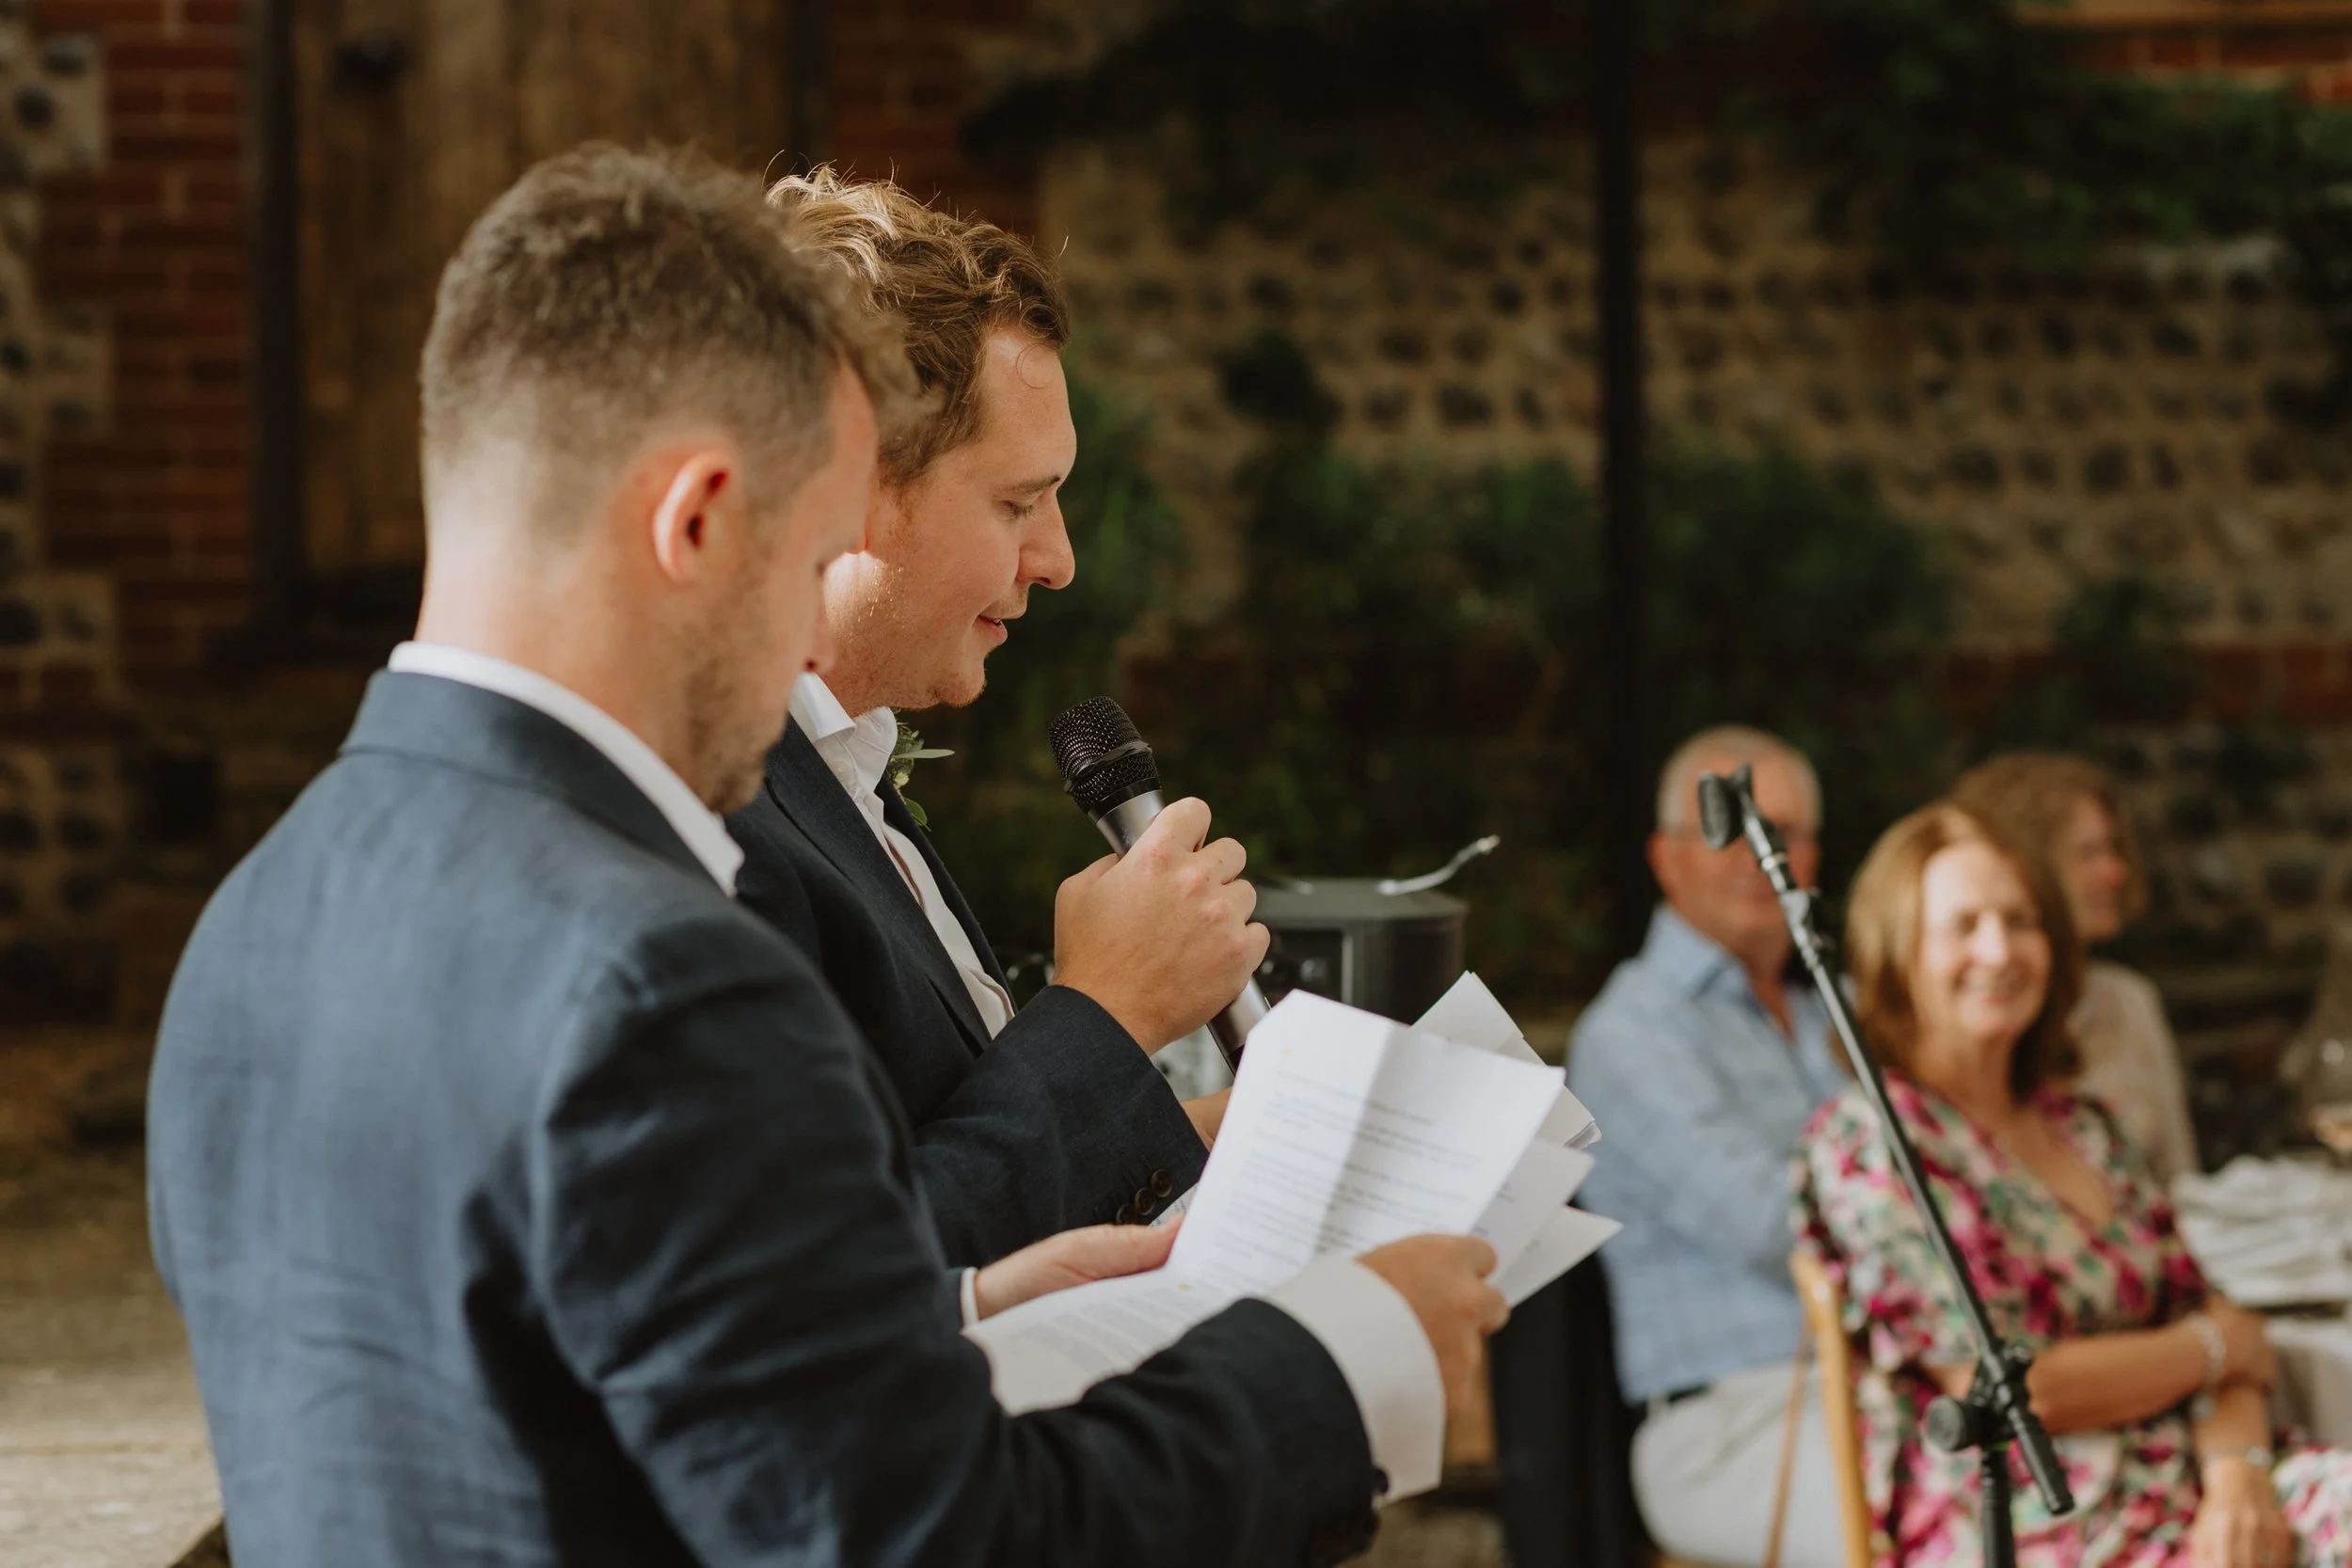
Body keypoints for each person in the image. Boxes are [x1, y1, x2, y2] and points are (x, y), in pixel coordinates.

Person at [145, 143, 1508, 1566]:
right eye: (809, 553)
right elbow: (934, 1540)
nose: (816, 642)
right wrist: (1344, 1354)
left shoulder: (259, 911)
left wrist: (941, 1321)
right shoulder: (655, 975)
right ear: (698, 521)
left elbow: (529, 1410)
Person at [726, 170, 1243, 1267]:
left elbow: (955, 1152)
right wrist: (1107, 1010)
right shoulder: (721, 821)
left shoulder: (842, 769)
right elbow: (844, 1280)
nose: (1055, 560)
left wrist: (1245, 1136)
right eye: (1017, 502)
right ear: (858, 479)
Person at [1798, 802, 2352, 1568]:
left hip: (2194, 1480)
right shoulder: (1870, 1141)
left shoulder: (2087, 1124)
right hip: (2030, 1521)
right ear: (1899, 952)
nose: (1999, 950)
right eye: (1963, 925)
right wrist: (2212, 1349)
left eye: (2020, 920)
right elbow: (2016, 1388)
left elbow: (2218, 1320)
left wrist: (2237, 1479)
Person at [1567, 725, 1851, 1568]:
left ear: (1815, 858)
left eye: (1786, 832)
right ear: (1666, 857)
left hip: (1888, 1388)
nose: (1759, 854)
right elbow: (1769, 1225)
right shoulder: (1631, 1029)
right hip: (1735, 1421)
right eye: (1728, 827)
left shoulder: (1843, 1008)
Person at [1953, 752, 2200, 1182]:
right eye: (2089, 853)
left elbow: (2181, 1181)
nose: (2115, 871)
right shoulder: (1984, 1016)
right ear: (2025, 864)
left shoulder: (2129, 1000)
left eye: (2113, 849)